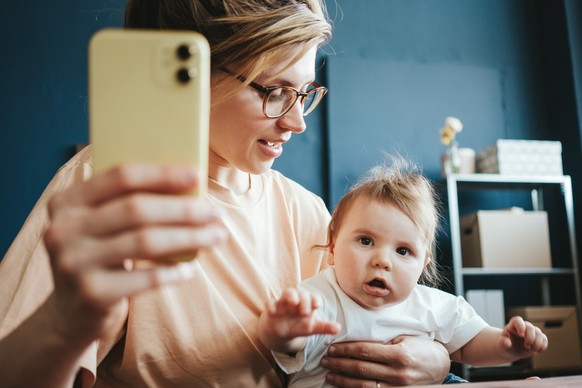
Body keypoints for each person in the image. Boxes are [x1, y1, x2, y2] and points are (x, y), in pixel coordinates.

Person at [0, 1, 453, 387]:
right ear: (194, 75)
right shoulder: (106, 194)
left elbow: (369, 334)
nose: (297, 122)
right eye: (275, 91)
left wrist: (438, 361)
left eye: (305, 92)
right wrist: (60, 326)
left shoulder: (305, 212)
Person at [258, 157, 549, 387]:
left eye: (403, 251)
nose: (382, 260)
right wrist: (283, 331)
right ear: (332, 248)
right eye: (366, 241)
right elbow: (289, 344)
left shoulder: (431, 304)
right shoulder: (317, 297)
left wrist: (507, 346)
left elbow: (470, 343)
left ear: (422, 265)